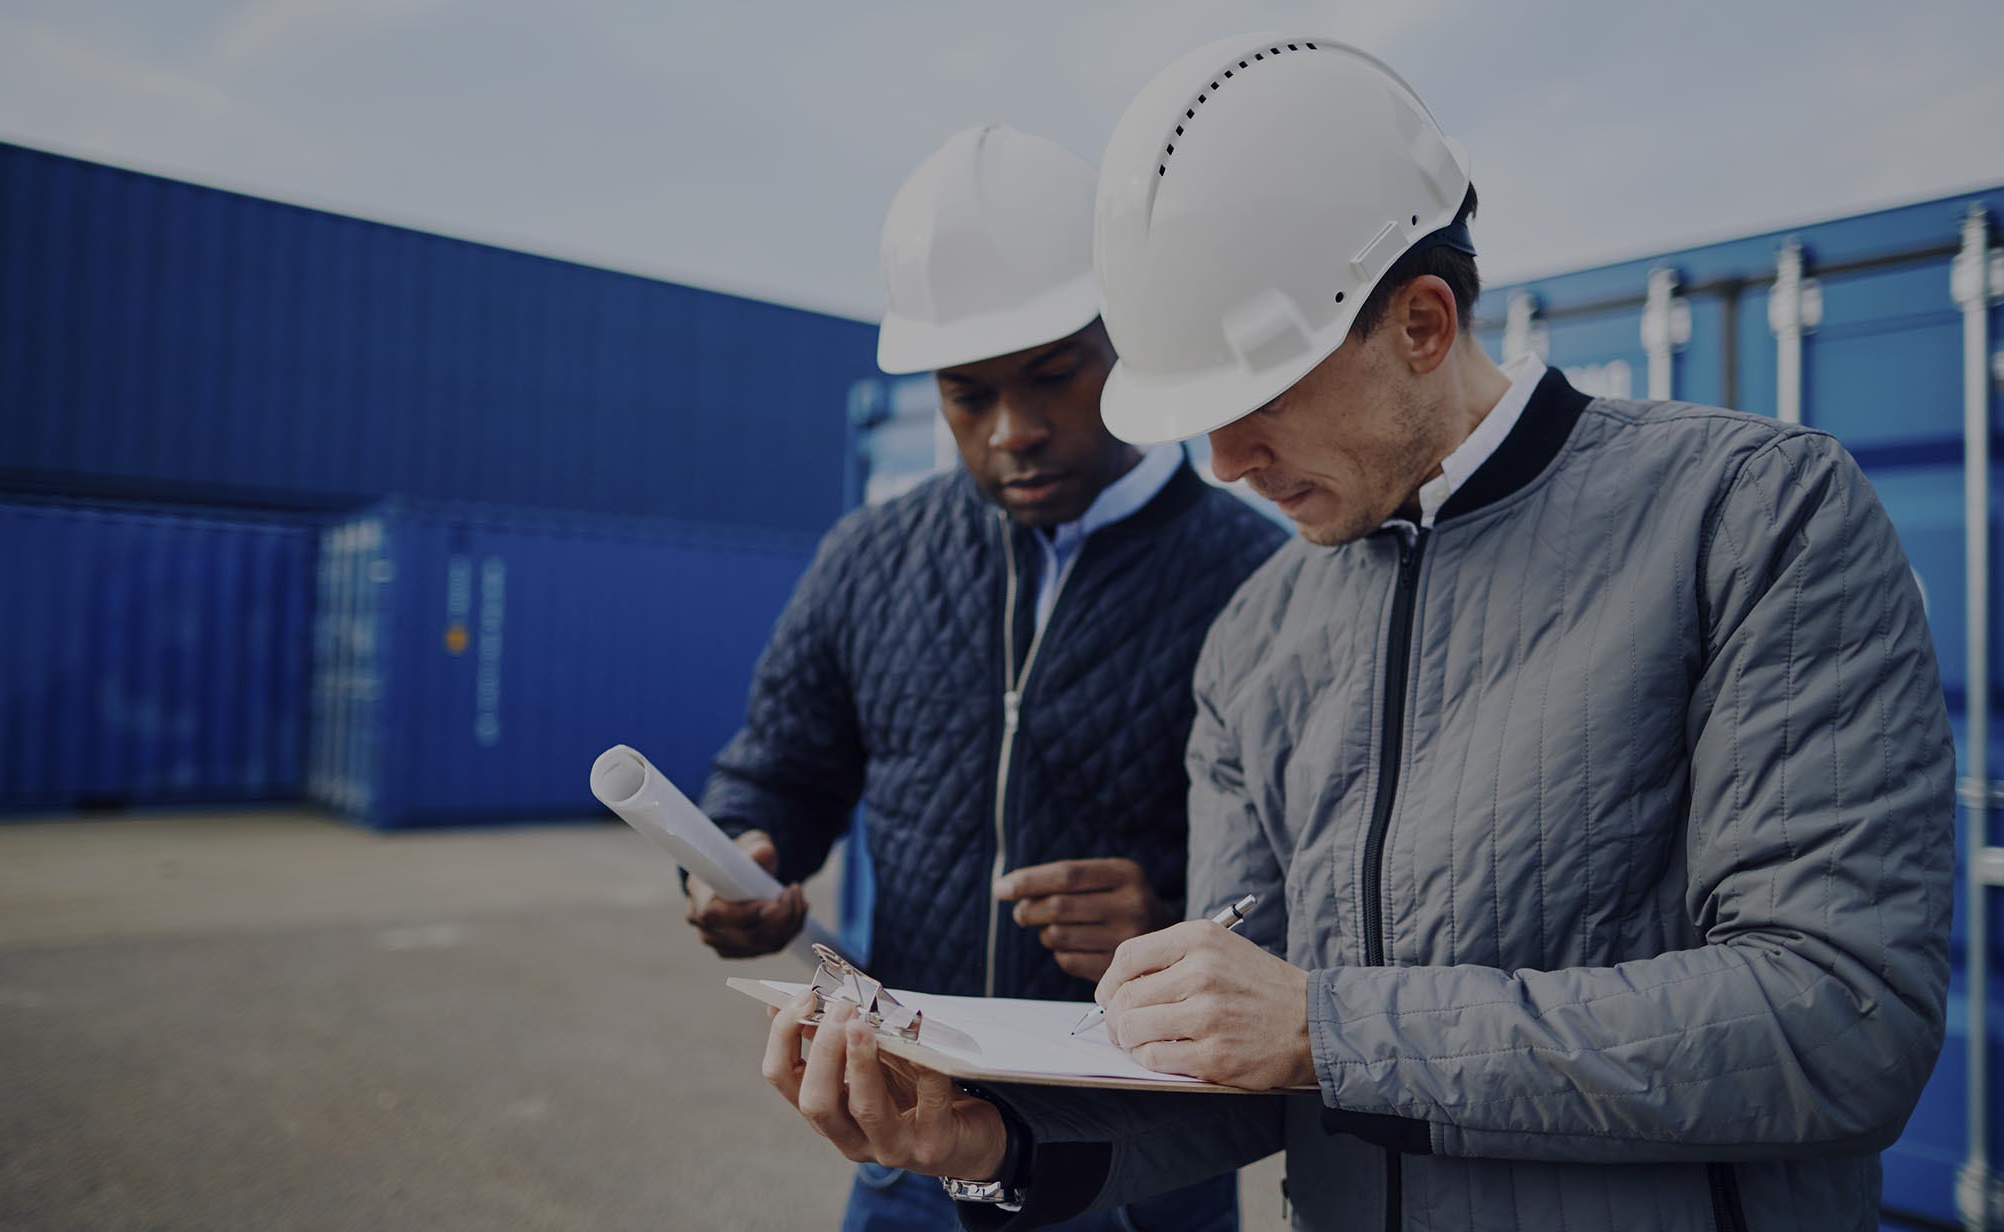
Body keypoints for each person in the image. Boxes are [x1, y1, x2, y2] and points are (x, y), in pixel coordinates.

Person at [757, 35, 1954, 1232]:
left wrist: (1329, 1025)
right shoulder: (1257, 635)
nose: (1220, 464)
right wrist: (996, 1138)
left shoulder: (1746, 519)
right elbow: (1245, 1072)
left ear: (1421, 324)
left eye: (1252, 401)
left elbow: (1839, 1018)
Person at [688, 124, 1283, 1230]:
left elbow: (1314, 882)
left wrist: (1172, 917)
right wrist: (744, 854)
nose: (1015, 429)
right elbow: (779, 768)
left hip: (1139, 1160)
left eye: (1055, 376)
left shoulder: (1260, 578)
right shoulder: (871, 558)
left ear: (1129, 337)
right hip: (908, 1140)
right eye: (968, 395)